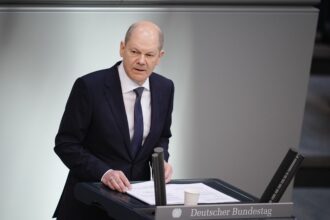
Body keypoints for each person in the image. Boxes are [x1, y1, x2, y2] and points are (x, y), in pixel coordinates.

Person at [53, 21, 174, 220]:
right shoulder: (89, 86)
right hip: (87, 206)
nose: (141, 61)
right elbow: (66, 144)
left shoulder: (165, 88)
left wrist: (161, 162)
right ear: (122, 48)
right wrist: (104, 172)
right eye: (135, 51)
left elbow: (162, 137)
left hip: (136, 208)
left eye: (149, 54)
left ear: (160, 56)